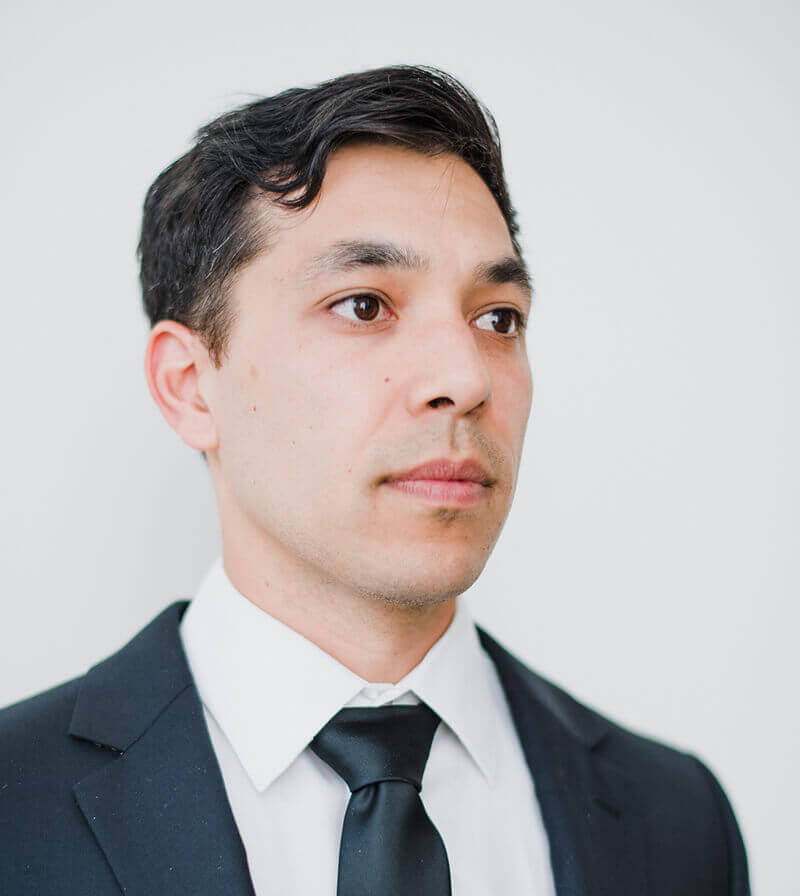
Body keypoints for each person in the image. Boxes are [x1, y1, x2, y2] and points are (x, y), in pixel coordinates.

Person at [0, 64, 749, 895]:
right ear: (190, 387)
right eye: (364, 305)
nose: (466, 377)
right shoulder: (13, 805)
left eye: (498, 318)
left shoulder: (678, 820)